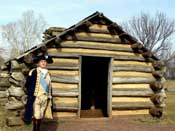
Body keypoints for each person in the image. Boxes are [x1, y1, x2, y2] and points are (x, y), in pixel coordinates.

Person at [22, 53, 53, 131]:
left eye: (45, 61)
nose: (43, 63)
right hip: (36, 97)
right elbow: (27, 84)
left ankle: (37, 128)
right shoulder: (33, 72)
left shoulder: (48, 73)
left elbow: (49, 86)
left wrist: (49, 96)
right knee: (36, 115)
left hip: (45, 98)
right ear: (38, 63)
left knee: (41, 115)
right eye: (41, 61)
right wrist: (31, 93)